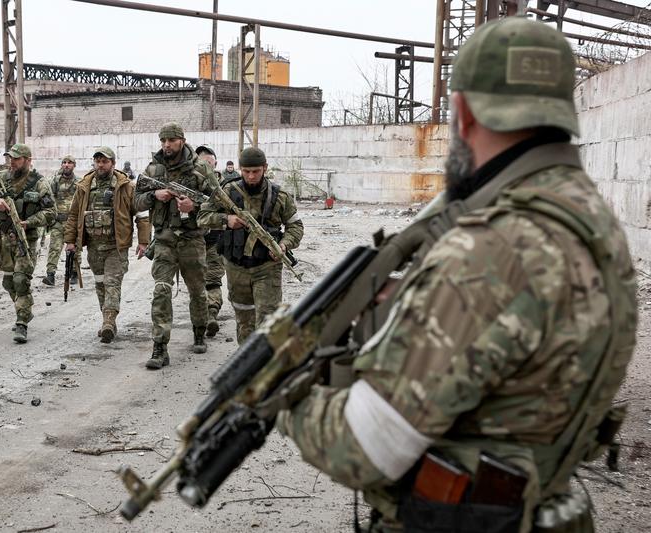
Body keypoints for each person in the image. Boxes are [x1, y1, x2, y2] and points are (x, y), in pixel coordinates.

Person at [276, 18, 637, 533]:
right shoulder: (591, 220)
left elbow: (362, 449)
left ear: (464, 111)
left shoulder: (492, 248)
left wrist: (282, 396)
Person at [198, 146, 303, 344]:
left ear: (265, 168)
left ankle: (265, 366)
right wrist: (225, 219)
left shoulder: (280, 196)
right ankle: (245, 363)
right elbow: (202, 217)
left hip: (267, 267)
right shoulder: (227, 192)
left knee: (267, 321)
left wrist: (284, 245)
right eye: (246, 171)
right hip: (237, 267)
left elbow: (295, 226)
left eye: (256, 171)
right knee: (244, 321)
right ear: (240, 169)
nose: (251, 176)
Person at [134, 122, 216, 369]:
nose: (166, 145)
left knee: (197, 292)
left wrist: (194, 207)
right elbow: (136, 202)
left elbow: (217, 205)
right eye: (163, 141)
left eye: (171, 140)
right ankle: (160, 347)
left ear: (182, 140)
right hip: (165, 240)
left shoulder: (200, 169)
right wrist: (154, 196)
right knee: (161, 290)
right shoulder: (153, 169)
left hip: (192, 238)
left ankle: (199, 331)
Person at [63, 147, 150, 343]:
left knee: (112, 282)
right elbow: (74, 215)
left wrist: (144, 241)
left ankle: (109, 322)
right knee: (101, 283)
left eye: (105, 161)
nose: (100, 165)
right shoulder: (84, 185)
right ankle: (107, 319)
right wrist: (70, 241)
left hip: (116, 246)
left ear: (113, 163)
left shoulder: (125, 186)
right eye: (98, 161)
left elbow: (142, 215)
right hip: (94, 246)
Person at [0, 143, 56, 344]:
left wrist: (28, 222)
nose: (12, 162)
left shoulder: (40, 183)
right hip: (5, 238)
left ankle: (22, 322)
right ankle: (24, 309)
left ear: (28, 160)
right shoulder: (2, 178)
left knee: (21, 280)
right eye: (10, 159)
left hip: (26, 239)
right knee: (8, 282)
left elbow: (51, 212)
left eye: (16, 158)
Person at [195, 145, 226, 337]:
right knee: (197, 285)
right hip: (193, 244)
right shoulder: (190, 185)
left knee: (213, 281)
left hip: (216, 242)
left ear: (215, 163)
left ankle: (211, 314)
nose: (205, 165)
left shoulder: (226, 186)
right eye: (201, 162)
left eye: (209, 161)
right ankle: (202, 318)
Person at [42, 155, 81, 286]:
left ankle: (74, 272)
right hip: (58, 221)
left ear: (74, 165)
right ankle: (50, 275)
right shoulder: (55, 181)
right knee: (54, 247)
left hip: (72, 222)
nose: (66, 165)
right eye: (64, 162)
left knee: (74, 248)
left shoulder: (78, 183)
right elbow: (48, 197)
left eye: (69, 163)